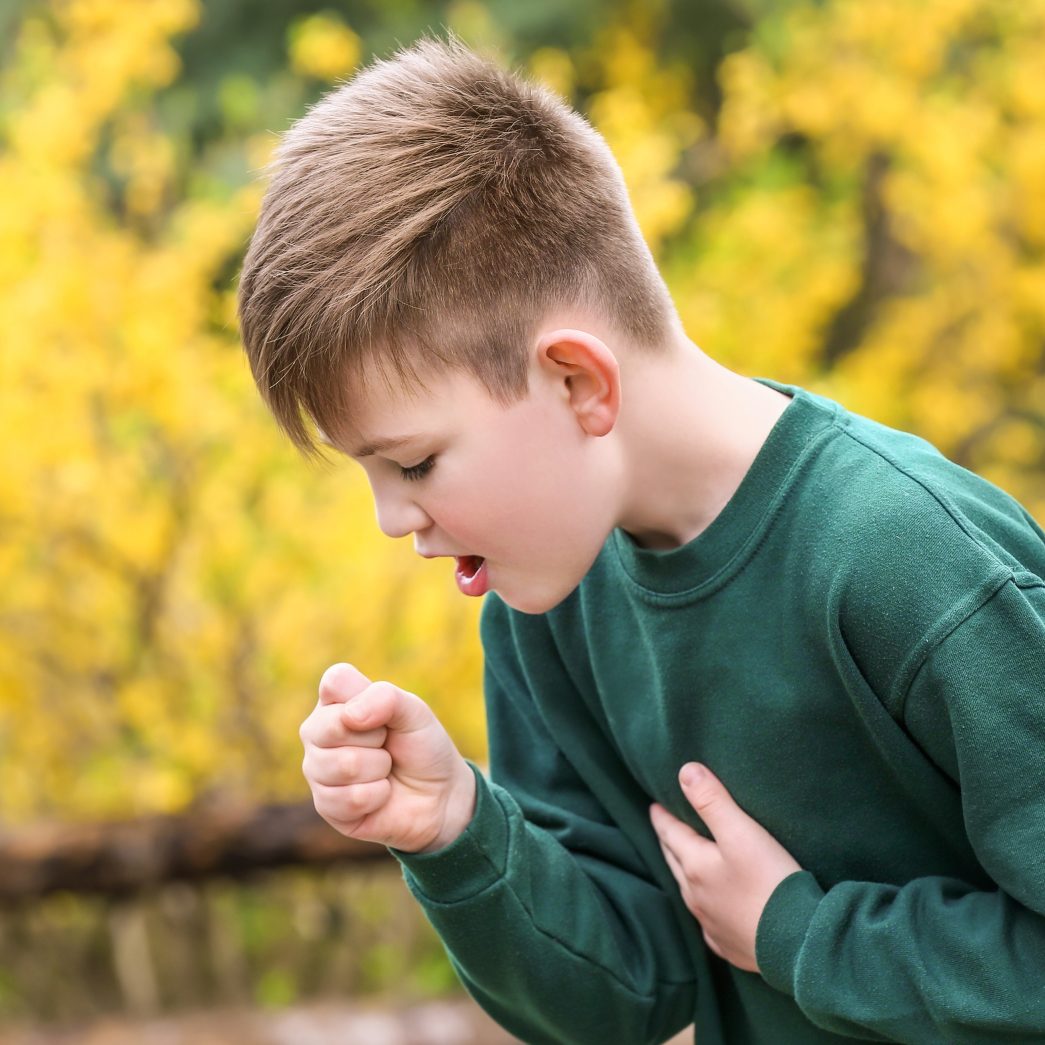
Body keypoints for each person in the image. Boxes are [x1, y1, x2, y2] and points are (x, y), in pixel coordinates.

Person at [236, 34, 1045, 1045]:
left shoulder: (909, 563)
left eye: (414, 463)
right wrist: (458, 831)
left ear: (577, 381)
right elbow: (627, 995)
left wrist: (802, 936)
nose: (391, 519)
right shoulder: (547, 601)